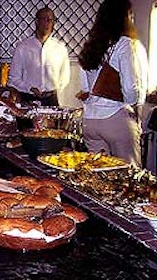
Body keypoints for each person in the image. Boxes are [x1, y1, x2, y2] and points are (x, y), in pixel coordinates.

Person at [76, 0, 148, 167]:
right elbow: (130, 90)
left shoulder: (91, 45)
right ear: (125, 18)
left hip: (90, 121)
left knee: (99, 176)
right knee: (130, 176)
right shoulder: (125, 44)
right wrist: (134, 103)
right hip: (115, 119)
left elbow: (86, 89)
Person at [8, 6, 70, 107]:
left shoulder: (60, 48)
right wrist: (29, 88)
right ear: (37, 22)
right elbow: (13, 78)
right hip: (28, 100)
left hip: (51, 102)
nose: (47, 23)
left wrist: (53, 89)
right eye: (44, 19)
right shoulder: (23, 47)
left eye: (50, 20)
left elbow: (65, 77)